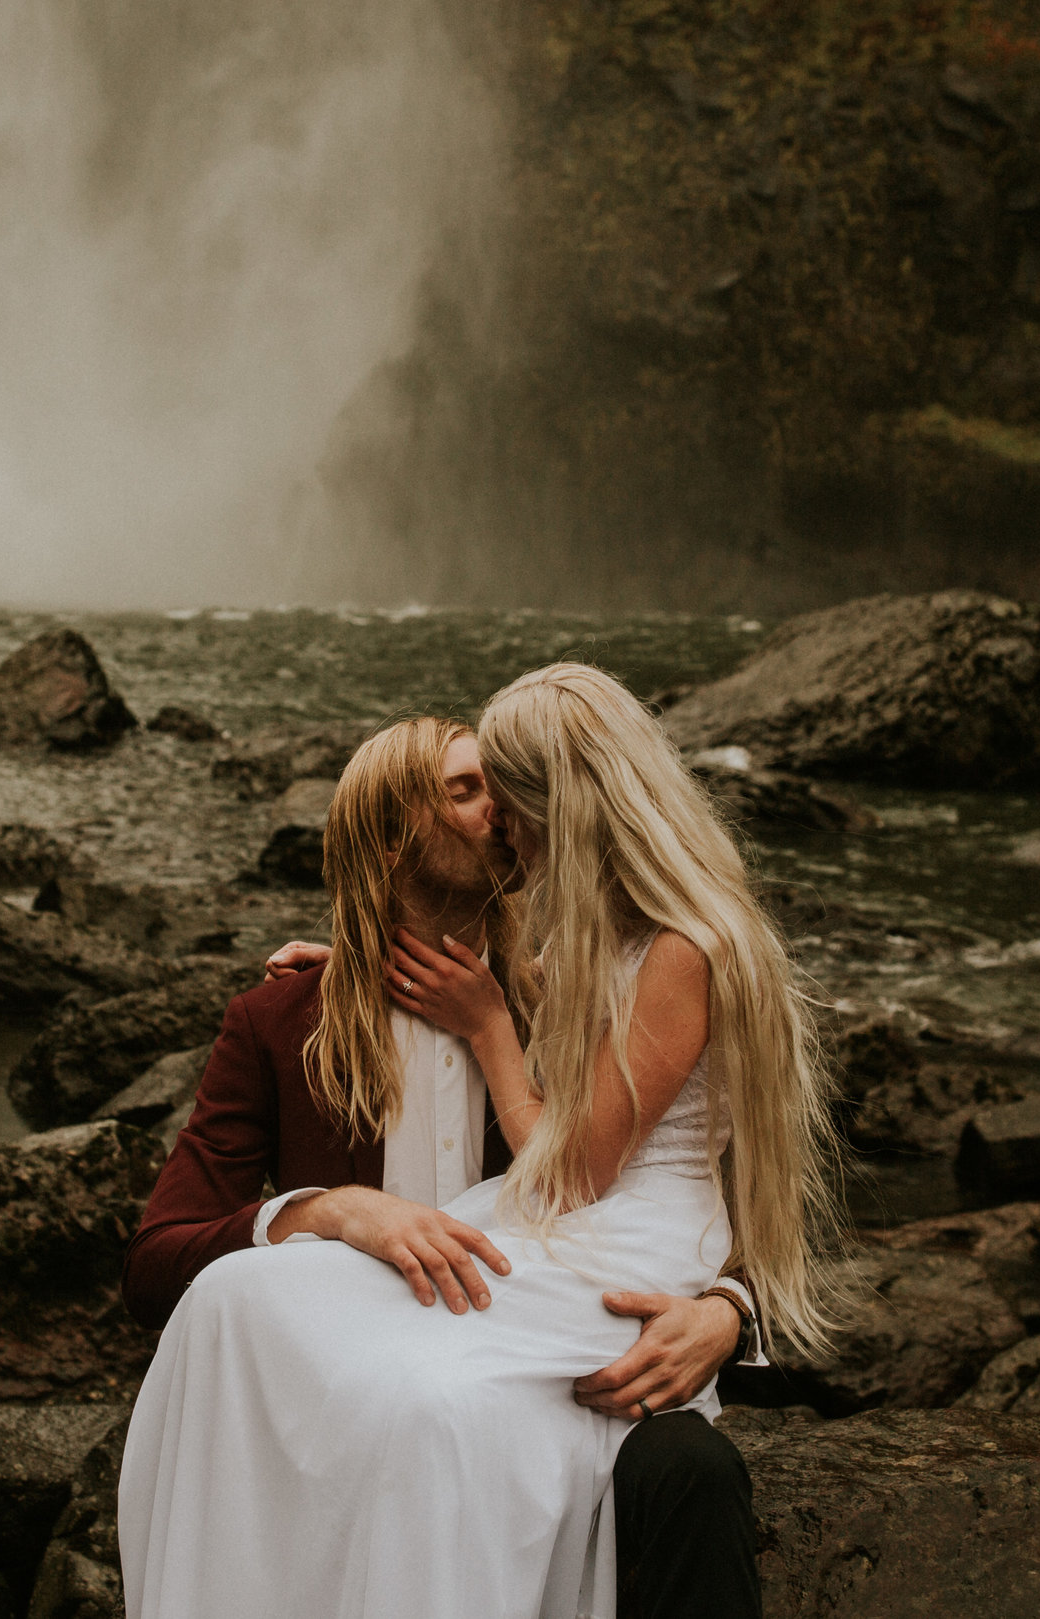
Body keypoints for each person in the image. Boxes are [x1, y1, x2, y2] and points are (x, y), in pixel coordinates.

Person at [118, 676, 842, 1619]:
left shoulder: (546, 994)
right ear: (393, 841)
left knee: (657, 1461)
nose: (498, 811)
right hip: (403, 1367)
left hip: (575, 1346)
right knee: (251, 1316)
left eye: (503, 790)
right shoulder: (281, 1022)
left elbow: (733, 1184)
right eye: (466, 790)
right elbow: (153, 1266)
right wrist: (329, 1210)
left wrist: (730, 1313)